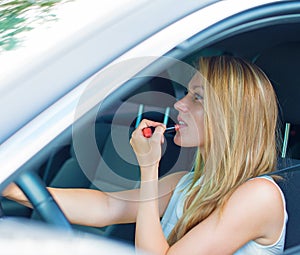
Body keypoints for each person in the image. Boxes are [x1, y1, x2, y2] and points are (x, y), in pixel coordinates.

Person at [3, 55, 287, 255]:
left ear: (231, 117)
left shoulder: (259, 196)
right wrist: (12, 188)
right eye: (186, 93)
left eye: (197, 97)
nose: (179, 104)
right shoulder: (186, 183)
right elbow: (107, 206)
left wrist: (149, 167)